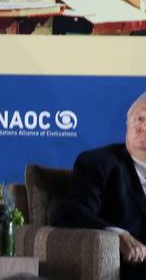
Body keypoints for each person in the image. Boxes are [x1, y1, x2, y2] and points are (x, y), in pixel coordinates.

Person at [54, 92, 146, 270]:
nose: (141, 127)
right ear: (127, 126)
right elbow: (70, 212)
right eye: (138, 119)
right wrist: (116, 235)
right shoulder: (99, 164)